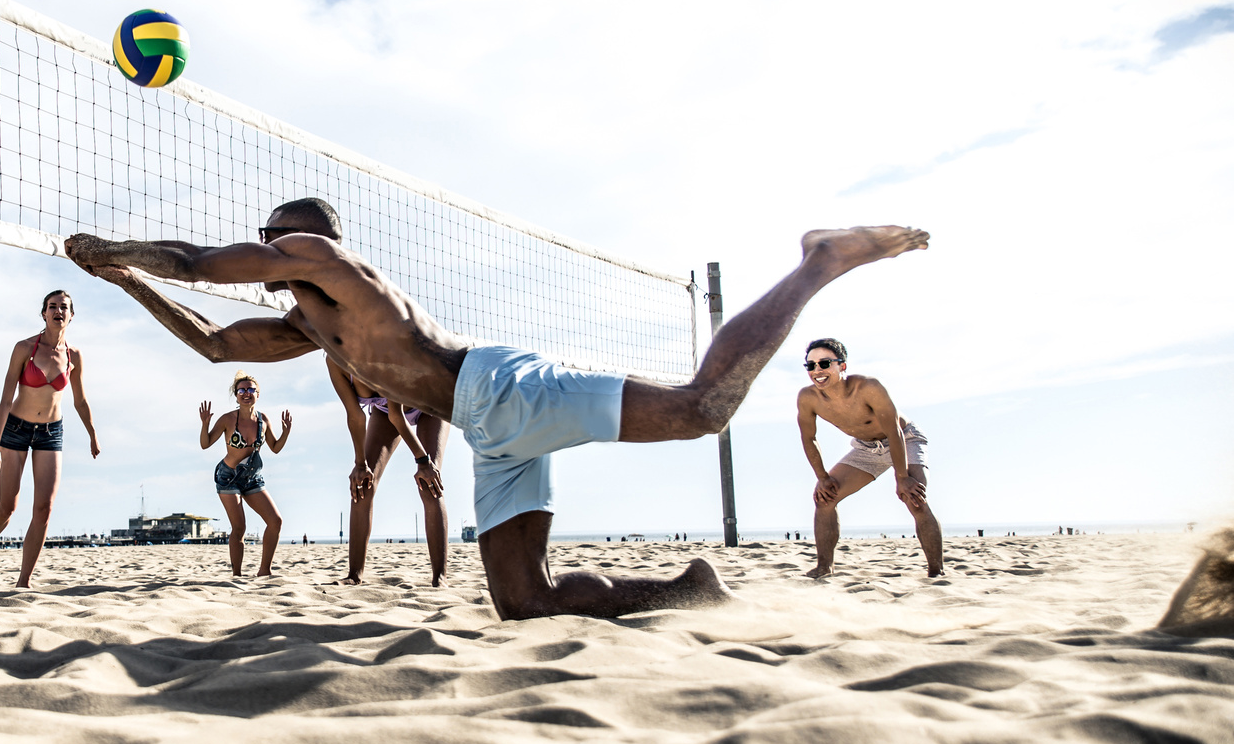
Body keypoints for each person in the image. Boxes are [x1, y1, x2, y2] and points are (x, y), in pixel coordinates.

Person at [63, 198, 928, 620]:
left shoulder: (323, 261)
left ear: (301, 239)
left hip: (498, 388)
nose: (267, 248)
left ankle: (816, 262)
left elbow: (202, 261)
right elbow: (214, 342)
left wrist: (125, 246)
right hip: (489, 424)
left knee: (703, 408)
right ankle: (685, 590)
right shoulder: (307, 325)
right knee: (523, 602)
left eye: (273, 237)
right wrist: (124, 277)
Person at [795, 338, 943, 578]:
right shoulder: (807, 398)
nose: (817, 371)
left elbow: (894, 430)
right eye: (810, 366)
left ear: (842, 366)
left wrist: (902, 476)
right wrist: (822, 477)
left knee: (915, 498)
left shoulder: (868, 387)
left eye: (824, 363)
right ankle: (824, 568)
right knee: (824, 499)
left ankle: (936, 572)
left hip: (904, 438)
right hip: (866, 448)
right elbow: (809, 438)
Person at [0, 290, 100, 587]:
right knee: (8, 506)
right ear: (43, 313)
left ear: (71, 316)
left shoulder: (74, 356)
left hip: (51, 432)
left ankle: (24, 581)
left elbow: (81, 401)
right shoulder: (24, 348)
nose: (58, 311)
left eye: (64, 307)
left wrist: (92, 435)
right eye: (52, 306)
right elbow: (6, 400)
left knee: (44, 508)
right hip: (17, 429)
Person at [326, 360, 448, 586]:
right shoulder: (334, 360)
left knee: (430, 482)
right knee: (363, 484)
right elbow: (355, 416)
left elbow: (398, 415)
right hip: (385, 413)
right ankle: (354, 575)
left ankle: (440, 578)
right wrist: (360, 464)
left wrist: (423, 462)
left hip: (430, 402)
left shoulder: (380, 348)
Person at [198, 372, 292, 577]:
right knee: (239, 527)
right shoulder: (227, 419)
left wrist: (285, 433)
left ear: (258, 394)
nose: (246, 393)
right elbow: (205, 445)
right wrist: (204, 424)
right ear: (236, 394)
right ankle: (237, 575)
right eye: (242, 390)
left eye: (251, 390)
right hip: (228, 476)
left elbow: (275, 447)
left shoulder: (263, 419)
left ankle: (264, 570)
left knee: (275, 521)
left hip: (252, 477)